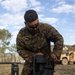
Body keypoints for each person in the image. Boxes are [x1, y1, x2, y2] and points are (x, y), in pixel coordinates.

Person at [16, 9, 64, 75]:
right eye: (32, 27)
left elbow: (59, 39)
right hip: (30, 65)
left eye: (36, 25)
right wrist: (34, 56)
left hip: (46, 65)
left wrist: (55, 53)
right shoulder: (22, 34)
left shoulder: (46, 28)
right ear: (26, 24)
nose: (35, 28)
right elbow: (20, 49)